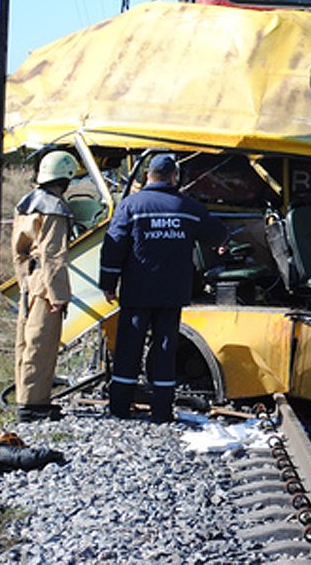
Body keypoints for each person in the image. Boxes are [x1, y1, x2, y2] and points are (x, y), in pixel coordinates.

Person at [99, 153, 227, 422]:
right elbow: (216, 233)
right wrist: (221, 242)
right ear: (173, 177)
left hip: (137, 291)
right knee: (165, 348)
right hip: (172, 293)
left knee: (129, 347)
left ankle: (120, 406)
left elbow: (114, 246)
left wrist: (108, 283)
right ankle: (162, 410)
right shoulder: (188, 207)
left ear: (148, 175)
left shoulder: (131, 205)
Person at [11, 151, 80, 422]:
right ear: (65, 178)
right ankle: (34, 404)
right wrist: (59, 296)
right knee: (42, 343)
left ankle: (24, 397)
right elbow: (54, 256)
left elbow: (19, 251)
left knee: (25, 342)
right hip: (46, 282)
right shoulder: (55, 208)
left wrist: (23, 281)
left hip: (29, 279)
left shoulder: (26, 204)